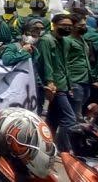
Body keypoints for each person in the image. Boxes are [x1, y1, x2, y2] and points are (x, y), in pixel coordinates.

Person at [39, 14, 76, 152]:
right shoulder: (46, 40)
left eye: (70, 26)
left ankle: (46, 146)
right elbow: (47, 63)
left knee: (52, 119)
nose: (67, 28)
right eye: (64, 25)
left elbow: (66, 64)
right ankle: (63, 148)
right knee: (70, 118)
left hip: (64, 84)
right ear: (54, 25)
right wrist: (49, 82)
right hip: (55, 85)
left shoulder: (65, 42)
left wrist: (70, 84)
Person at [1, 19, 46, 114]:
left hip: (34, 88)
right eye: (35, 29)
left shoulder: (36, 50)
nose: (38, 31)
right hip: (16, 89)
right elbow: (7, 60)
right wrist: (23, 52)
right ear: (26, 31)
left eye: (41, 29)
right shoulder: (13, 47)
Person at [64, 14, 91, 121]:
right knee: (73, 115)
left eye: (85, 25)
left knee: (77, 112)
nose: (84, 27)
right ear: (73, 26)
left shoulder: (81, 39)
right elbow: (63, 62)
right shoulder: (67, 41)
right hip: (74, 80)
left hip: (85, 79)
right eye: (81, 25)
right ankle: (67, 137)